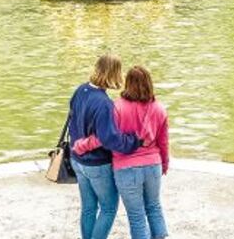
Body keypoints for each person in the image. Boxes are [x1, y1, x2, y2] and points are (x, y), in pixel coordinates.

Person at [73, 66, 169, 239]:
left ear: (128, 83)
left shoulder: (117, 107)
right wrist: (164, 163)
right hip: (153, 164)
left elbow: (104, 138)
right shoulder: (159, 109)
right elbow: (163, 142)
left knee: (137, 216)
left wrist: (82, 145)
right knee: (154, 208)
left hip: (126, 168)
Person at [68, 55, 142, 239]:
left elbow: (72, 120)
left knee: (88, 207)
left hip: (77, 160)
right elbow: (109, 139)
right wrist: (134, 141)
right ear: (113, 73)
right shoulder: (104, 104)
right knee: (108, 207)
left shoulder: (80, 90)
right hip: (97, 164)